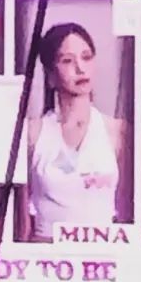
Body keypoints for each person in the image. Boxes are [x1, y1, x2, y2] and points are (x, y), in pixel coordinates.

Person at [23, 23, 125, 242]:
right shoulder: (33, 133)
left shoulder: (116, 131)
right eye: (67, 60)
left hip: (103, 251)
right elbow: (21, 219)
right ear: (51, 74)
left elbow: (127, 210)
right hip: (46, 252)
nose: (80, 68)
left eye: (86, 57)